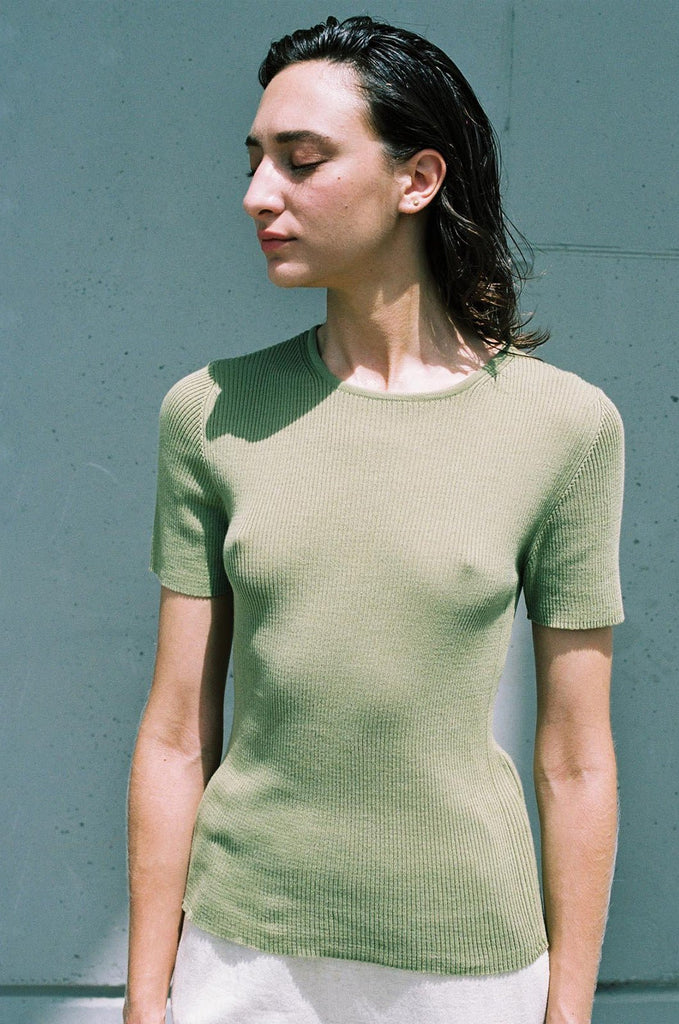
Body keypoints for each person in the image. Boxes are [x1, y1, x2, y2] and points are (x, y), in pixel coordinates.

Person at [124, 15, 624, 1024]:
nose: (258, 193)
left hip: (468, 970)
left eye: (302, 161)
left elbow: (576, 756)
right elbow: (176, 733)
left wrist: (568, 1009)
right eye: (256, 160)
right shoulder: (209, 413)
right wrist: (146, 998)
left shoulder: (565, 427)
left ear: (417, 179)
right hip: (241, 961)